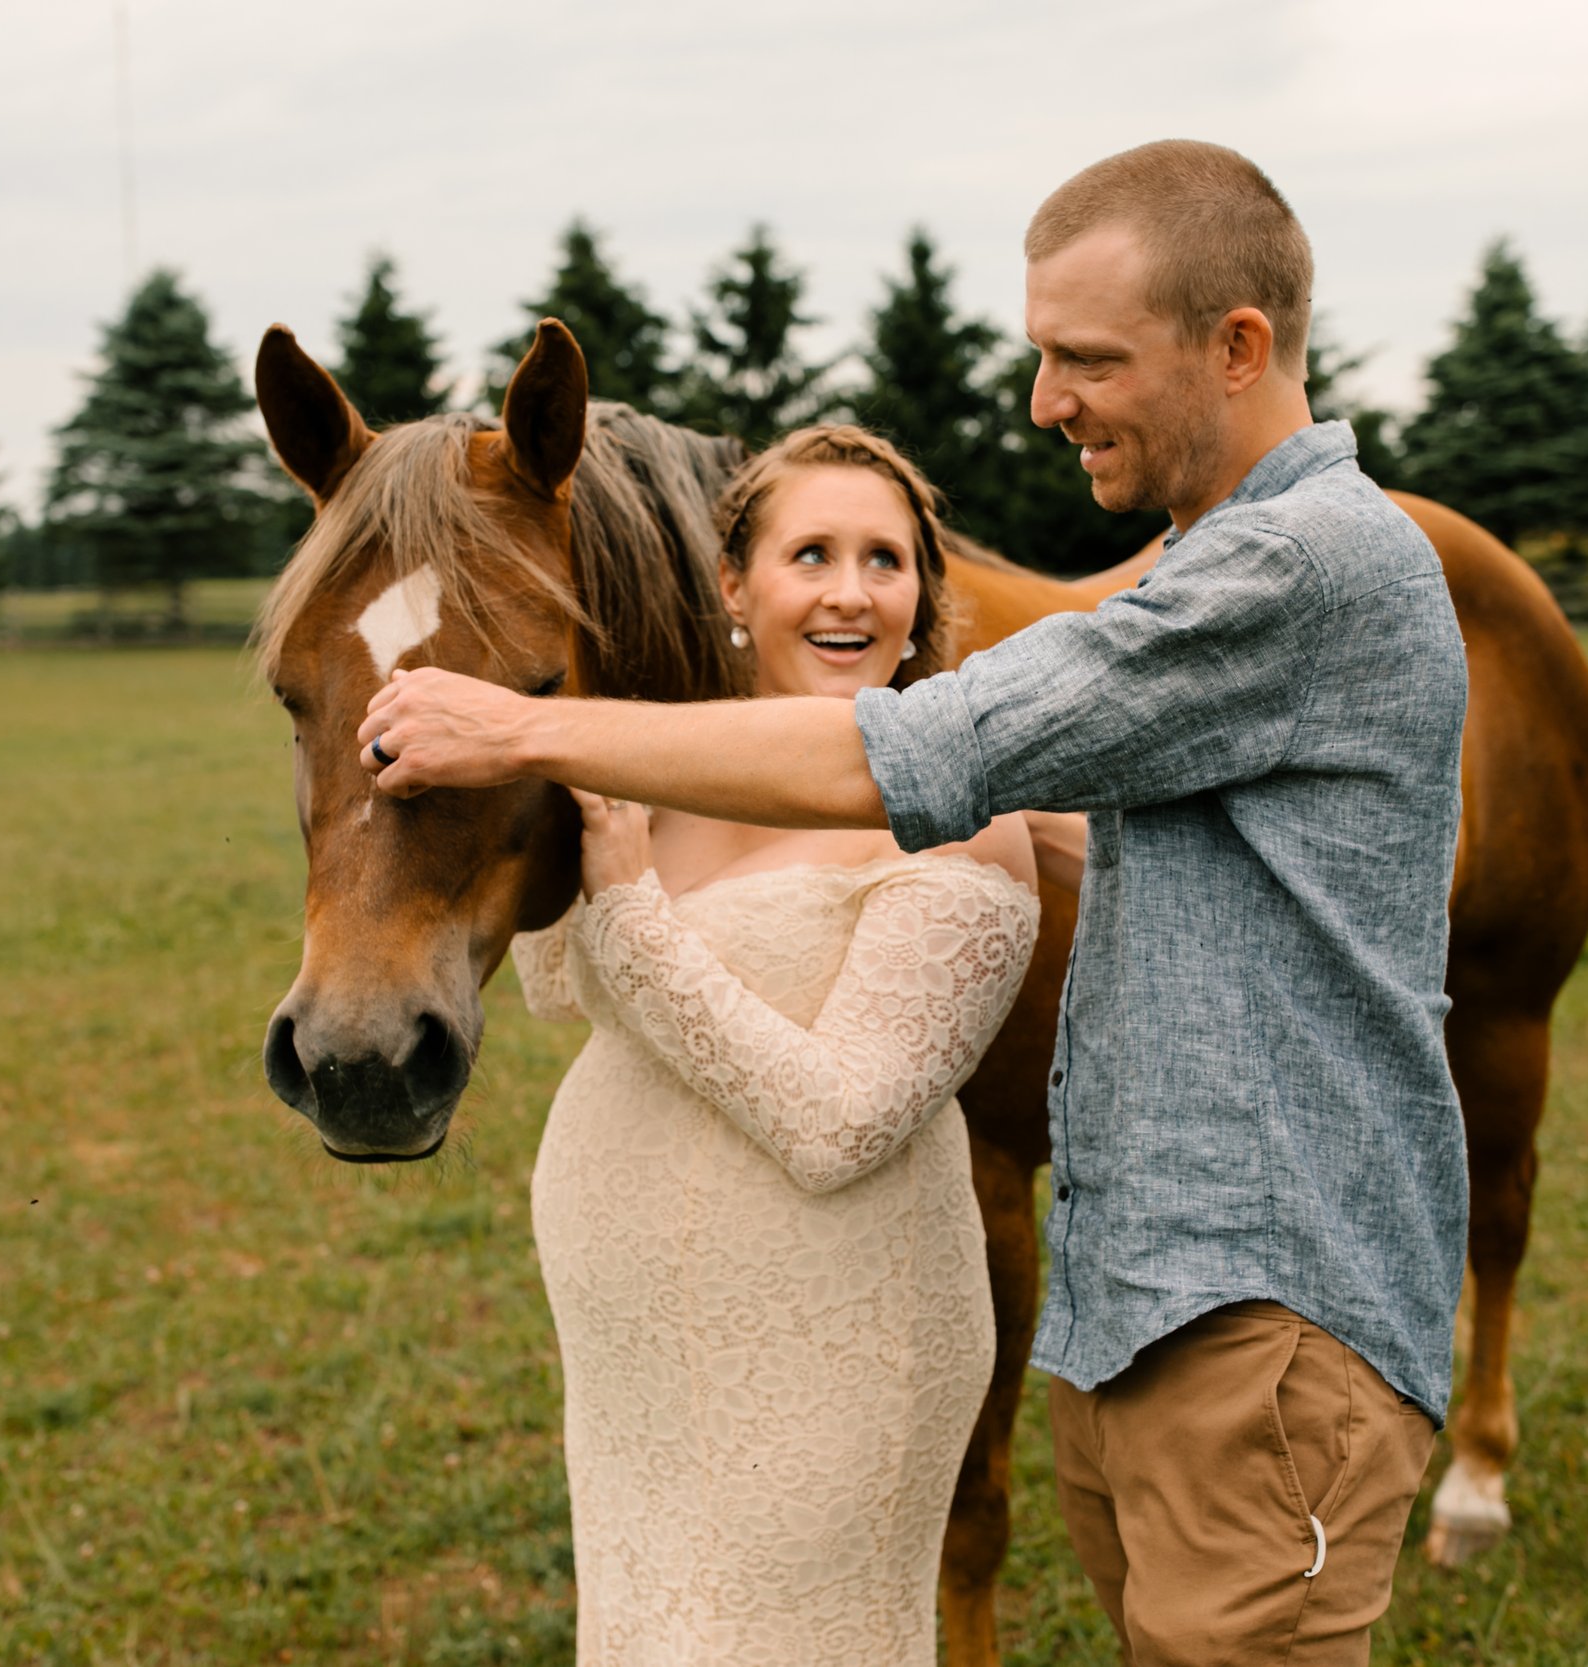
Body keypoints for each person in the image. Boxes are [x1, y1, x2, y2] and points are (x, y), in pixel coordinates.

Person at [363, 141, 1468, 1665]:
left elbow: (921, 751)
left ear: (1237, 346)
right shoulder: (1226, 569)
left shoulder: (1301, 563)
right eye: (1041, 354)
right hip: (1146, 1306)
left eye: (1086, 358)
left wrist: (524, 727)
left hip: (1263, 1316)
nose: (1042, 400)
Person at [506, 424, 1042, 1662]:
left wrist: (631, 910)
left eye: (886, 559)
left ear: (922, 598)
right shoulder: (664, 774)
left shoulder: (960, 823)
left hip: (833, 1349)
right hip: (634, 1358)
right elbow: (549, 982)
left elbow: (838, 1121)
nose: (851, 590)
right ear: (736, 589)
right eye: (812, 553)